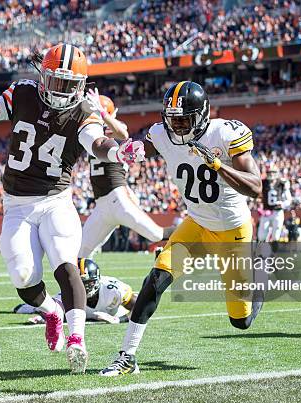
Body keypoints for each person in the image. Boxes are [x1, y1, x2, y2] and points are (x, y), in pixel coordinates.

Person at [0, 43, 144, 373]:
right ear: (43, 77)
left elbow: (97, 143)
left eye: (70, 85)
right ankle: (51, 311)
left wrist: (117, 152)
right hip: (17, 205)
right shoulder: (24, 92)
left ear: (81, 85)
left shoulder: (84, 110)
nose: (62, 91)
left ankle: (77, 339)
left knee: (66, 263)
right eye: (57, 82)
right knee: (23, 276)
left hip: (56, 200)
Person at [100, 81, 262, 376]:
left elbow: (256, 187)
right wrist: (112, 146)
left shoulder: (225, 133)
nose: (176, 126)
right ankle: (127, 356)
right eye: (171, 119)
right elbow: (138, 149)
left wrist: (218, 166)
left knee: (240, 321)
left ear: (201, 115)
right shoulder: (162, 134)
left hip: (232, 231)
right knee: (156, 278)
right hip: (197, 223)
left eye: (183, 119)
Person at [79, 91, 172, 258]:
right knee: (81, 253)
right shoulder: (91, 133)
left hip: (118, 198)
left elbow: (123, 133)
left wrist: (102, 113)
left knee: (157, 234)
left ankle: (197, 236)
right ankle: (89, 283)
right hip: (102, 204)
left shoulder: (111, 128)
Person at [13, 258, 136, 324]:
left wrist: (119, 319)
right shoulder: (66, 296)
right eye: (81, 284)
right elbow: (56, 313)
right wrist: (46, 317)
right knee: (37, 307)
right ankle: (28, 307)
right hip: (63, 305)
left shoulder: (113, 290)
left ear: (98, 280)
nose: (85, 288)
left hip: (114, 312)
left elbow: (138, 305)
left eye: (89, 283)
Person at [257, 164, 291, 242]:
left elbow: (289, 199)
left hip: (278, 211)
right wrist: (259, 204)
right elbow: (257, 195)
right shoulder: (263, 182)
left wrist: (283, 204)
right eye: (269, 172)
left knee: (276, 236)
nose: (271, 174)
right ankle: (262, 252)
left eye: (273, 172)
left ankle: (274, 252)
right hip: (266, 211)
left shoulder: (282, 183)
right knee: (262, 235)